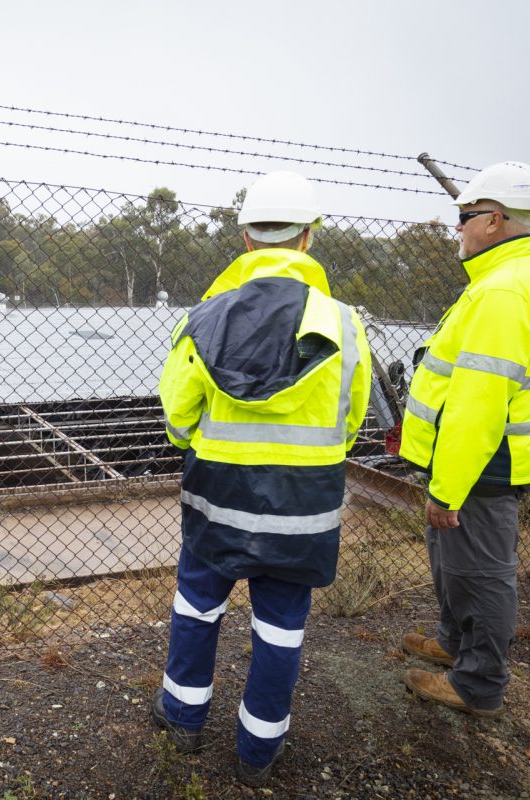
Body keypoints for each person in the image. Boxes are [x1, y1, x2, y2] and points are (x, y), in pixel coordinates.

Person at [151, 171, 372, 786]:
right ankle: (258, 751)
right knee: (281, 627)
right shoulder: (344, 323)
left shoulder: (205, 317)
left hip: (217, 500)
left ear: (245, 238)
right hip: (303, 510)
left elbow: (176, 416)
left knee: (196, 609)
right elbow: (350, 422)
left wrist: (211, 445)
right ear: (308, 238)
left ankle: (182, 719)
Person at [399, 161, 530, 718]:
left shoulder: (504, 293)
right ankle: (453, 642)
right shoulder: (503, 281)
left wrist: (447, 487)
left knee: (482, 573)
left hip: (481, 464)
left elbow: (479, 404)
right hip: (472, 461)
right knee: (452, 563)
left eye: (465, 218)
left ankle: (479, 684)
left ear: (493, 221)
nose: (458, 229)